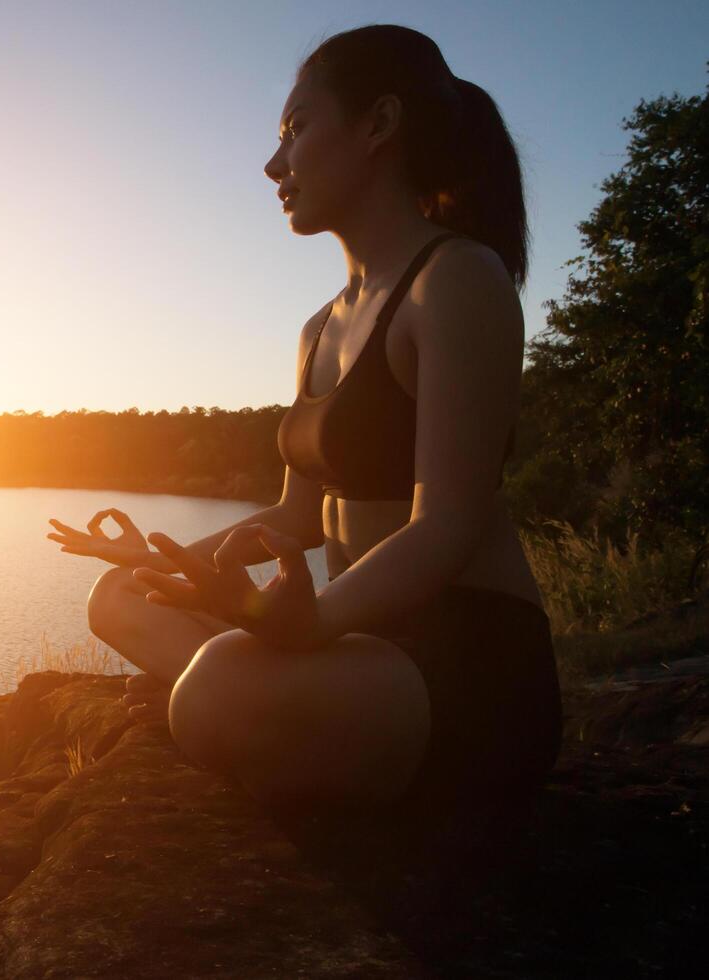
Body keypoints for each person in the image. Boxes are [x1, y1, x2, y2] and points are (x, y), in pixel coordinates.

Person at [47, 24, 562, 818]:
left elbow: (446, 527)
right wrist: (166, 560)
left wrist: (313, 621)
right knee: (118, 596)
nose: (272, 163)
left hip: (461, 661)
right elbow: (297, 516)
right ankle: (260, 711)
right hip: (356, 644)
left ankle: (234, 709)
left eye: (294, 130)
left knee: (217, 685)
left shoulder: (454, 278)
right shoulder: (319, 328)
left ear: (378, 125)